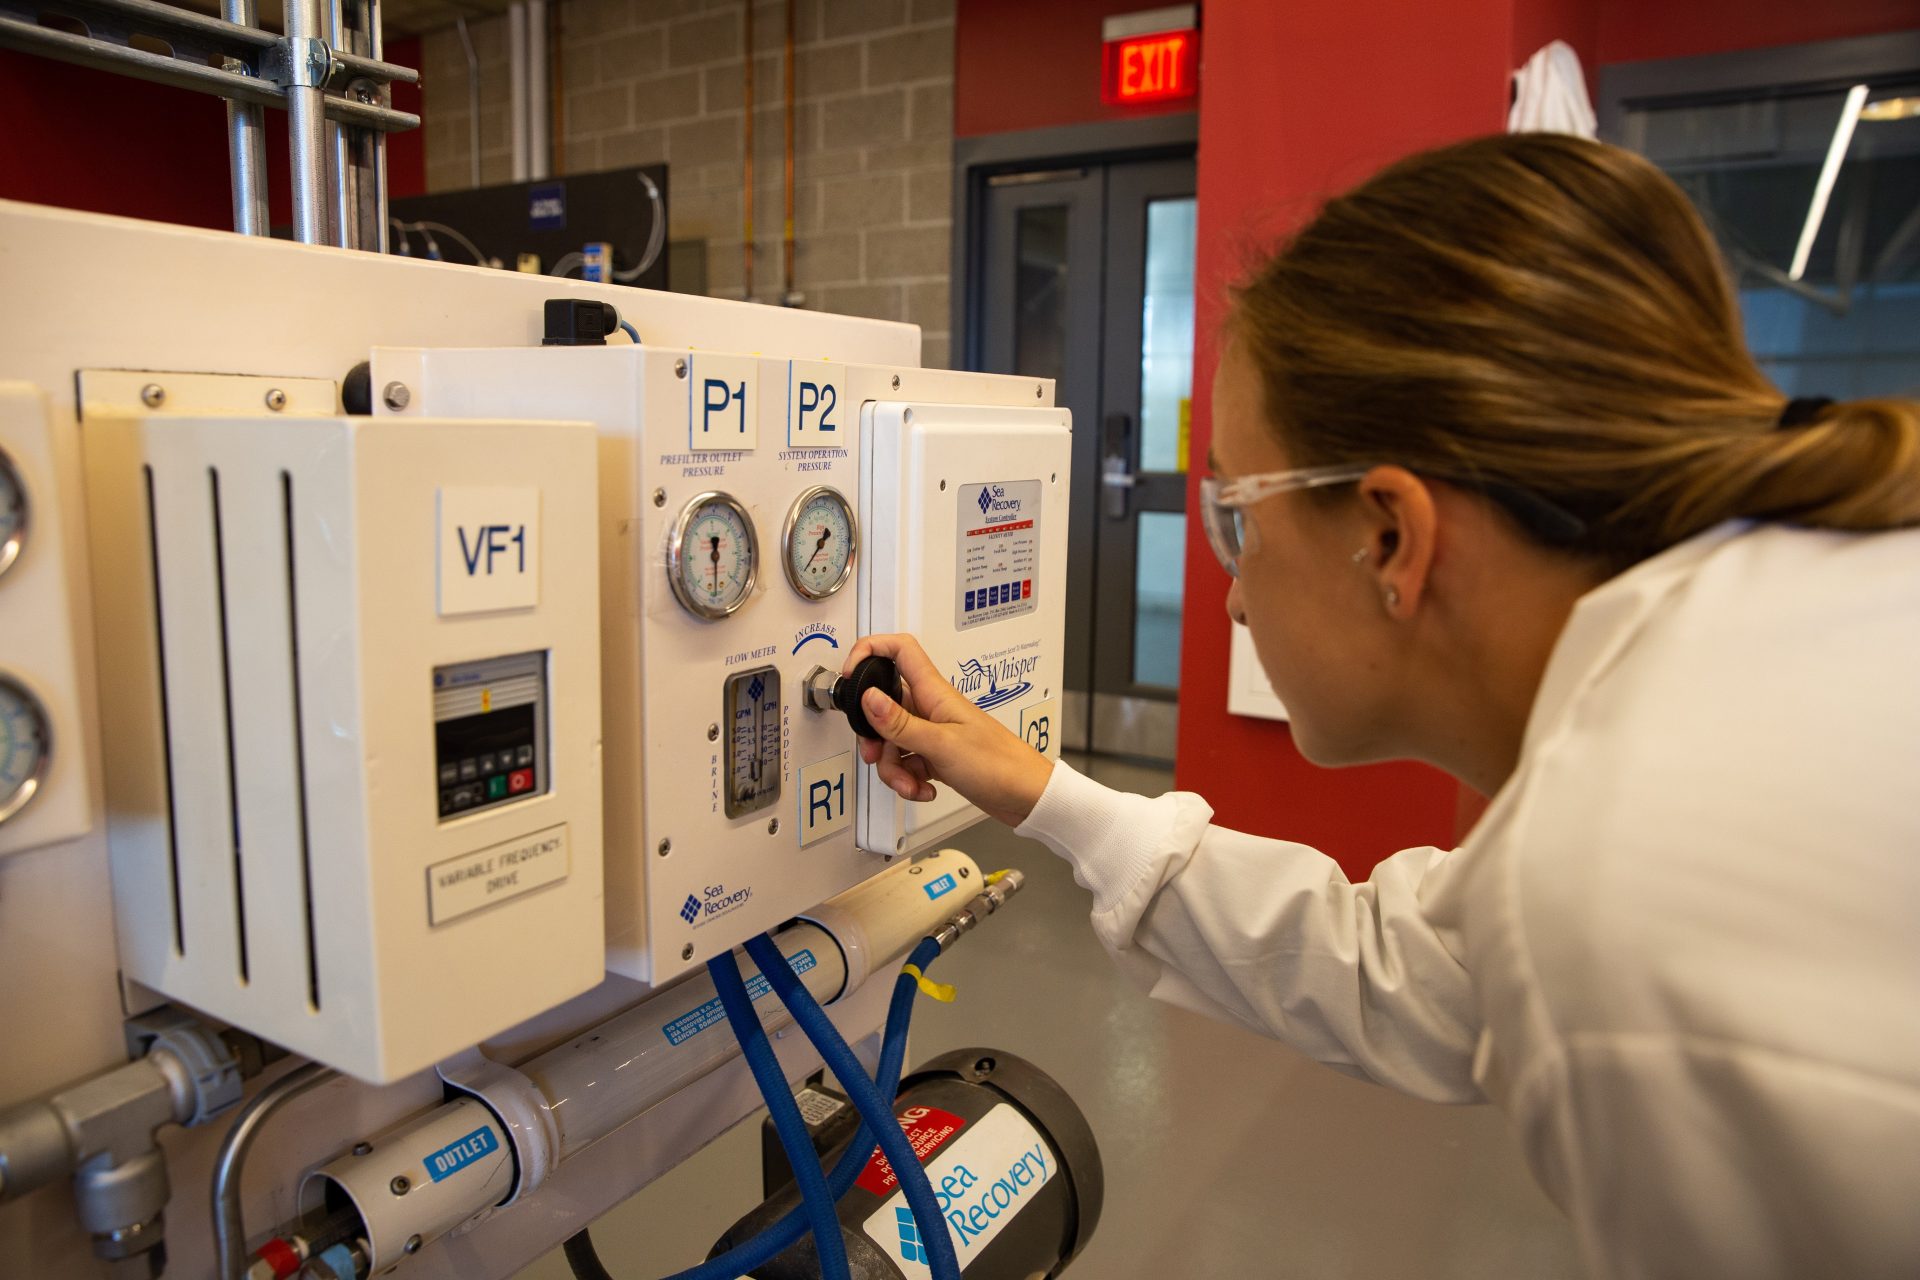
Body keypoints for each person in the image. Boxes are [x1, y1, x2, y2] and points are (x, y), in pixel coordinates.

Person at [839, 134, 1920, 1280]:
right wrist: (1048, 793)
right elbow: (1413, 964)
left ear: (1389, 537)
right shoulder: (1761, 648)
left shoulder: (1631, 896)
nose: (1236, 592)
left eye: (1238, 520)